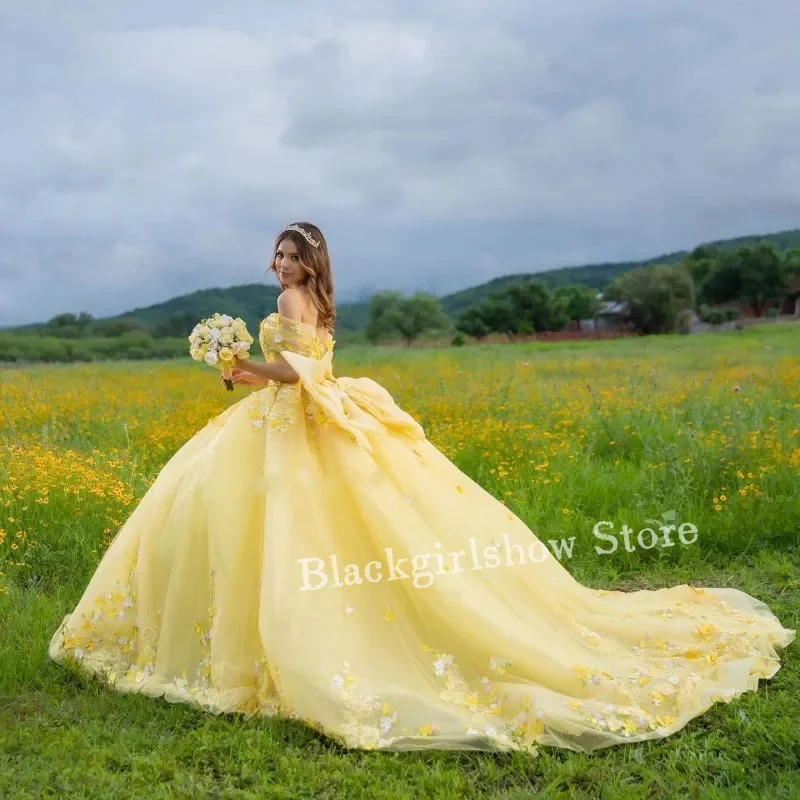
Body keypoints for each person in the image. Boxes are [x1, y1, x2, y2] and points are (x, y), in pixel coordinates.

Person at [48, 222, 794, 755]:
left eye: (290, 255)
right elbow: (315, 363)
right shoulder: (312, 303)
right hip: (305, 416)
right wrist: (248, 368)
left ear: (311, 264)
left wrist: (244, 370)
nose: (279, 265)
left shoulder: (287, 308)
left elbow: (300, 372)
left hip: (291, 415)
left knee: (278, 525)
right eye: (276, 254)